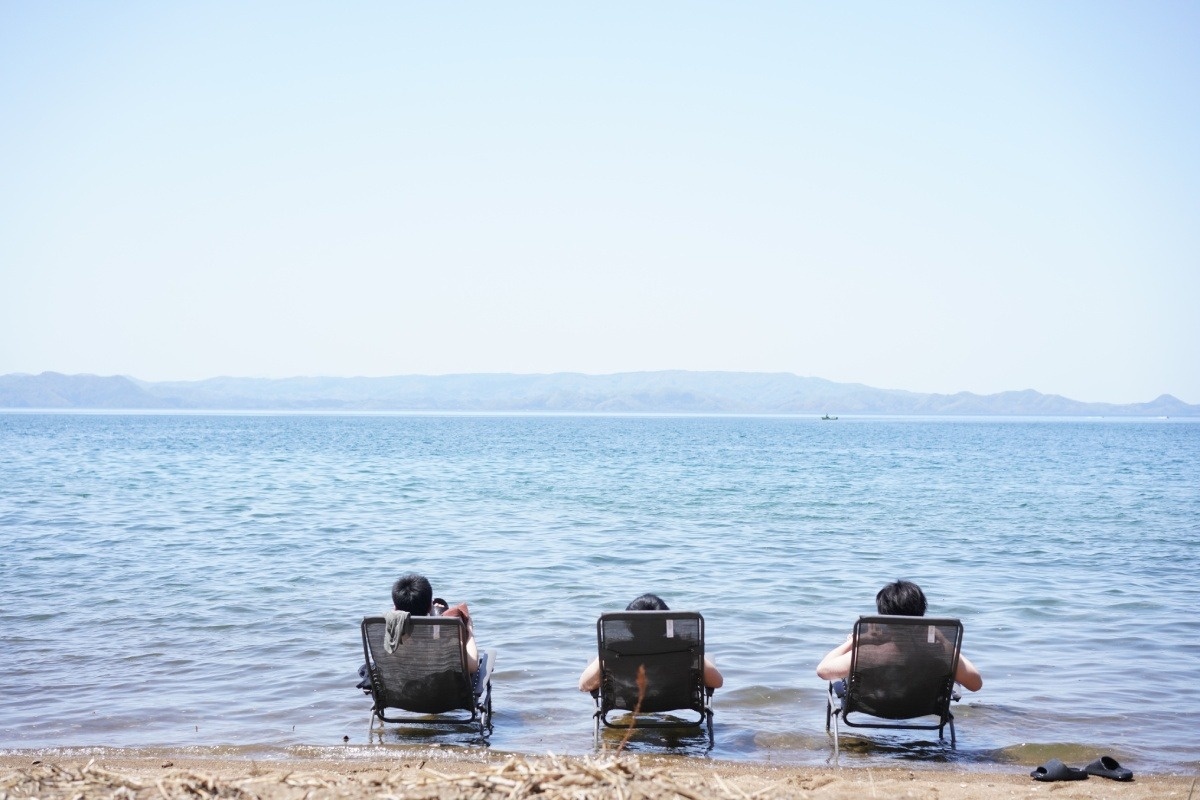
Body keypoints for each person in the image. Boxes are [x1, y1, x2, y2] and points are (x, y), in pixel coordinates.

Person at [815, 580, 982, 692]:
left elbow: (823, 670)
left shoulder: (868, 654)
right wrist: (944, 641)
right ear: (921, 616)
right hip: (922, 710)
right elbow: (975, 684)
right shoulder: (938, 655)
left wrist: (857, 640)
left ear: (884, 619)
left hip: (874, 710)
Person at [578, 593, 724, 692]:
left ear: (629, 623)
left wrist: (603, 659)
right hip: (671, 703)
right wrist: (697, 654)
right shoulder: (684, 648)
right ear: (667, 621)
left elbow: (584, 685)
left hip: (630, 704)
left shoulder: (616, 650)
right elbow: (717, 682)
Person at [391, 572, 480, 673]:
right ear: (430, 606)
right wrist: (469, 629)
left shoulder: (384, 634)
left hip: (401, 687)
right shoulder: (445, 636)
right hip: (440, 687)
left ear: (395, 608)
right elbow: (472, 667)